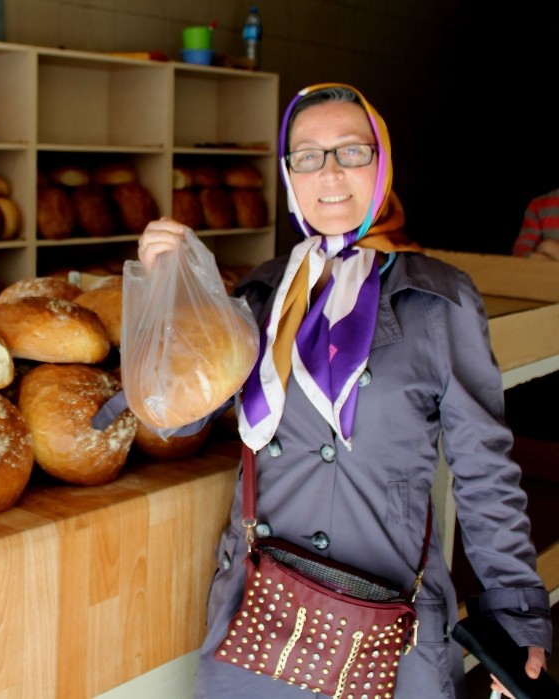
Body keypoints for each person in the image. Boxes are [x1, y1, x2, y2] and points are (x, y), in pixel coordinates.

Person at [135, 84, 551, 698]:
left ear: (381, 164)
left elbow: (485, 470)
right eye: (307, 156)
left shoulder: (439, 297)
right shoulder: (260, 295)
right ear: (289, 176)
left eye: (352, 152)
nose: (329, 172)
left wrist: (515, 616)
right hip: (261, 620)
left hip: (391, 624)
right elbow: (177, 417)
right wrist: (167, 290)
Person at [512, 188, 559, 259]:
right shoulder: (538, 205)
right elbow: (520, 251)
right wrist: (540, 258)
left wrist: (552, 248)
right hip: (544, 268)